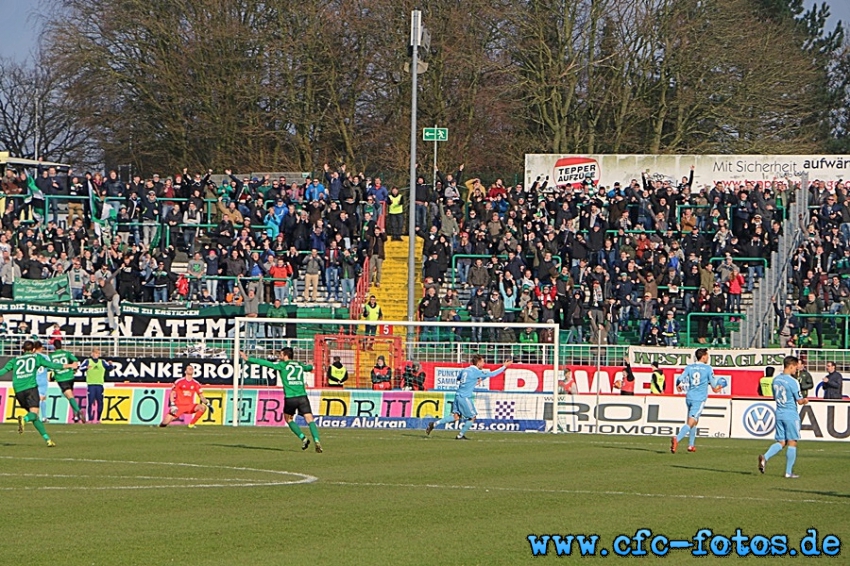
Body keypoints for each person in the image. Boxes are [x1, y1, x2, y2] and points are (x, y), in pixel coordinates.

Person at [240, 348, 322, 452]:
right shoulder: (299, 365)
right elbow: (309, 368)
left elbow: (266, 363)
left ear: (285, 355)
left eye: (281, 354)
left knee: (288, 419)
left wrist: (248, 359)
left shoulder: (282, 365)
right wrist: (310, 365)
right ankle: (317, 440)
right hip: (303, 397)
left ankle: (303, 438)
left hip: (290, 398)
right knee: (310, 420)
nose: (279, 356)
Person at [0, 340, 76, 447]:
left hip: (18, 391)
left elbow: (3, 371)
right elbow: (52, 365)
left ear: (23, 350)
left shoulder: (14, 360)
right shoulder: (37, 357)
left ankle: (47, 439)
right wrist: (69, 365)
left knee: (35, 416)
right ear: (33, 350)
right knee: (33, 414)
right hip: (31, 388)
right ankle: (24, 419)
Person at [425, 356, 513, 440]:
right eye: (483, 362)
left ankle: (434, 423)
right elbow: (493, 374)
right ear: (478, 363)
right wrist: (504, 366)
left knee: (456, 417)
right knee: (472, 417)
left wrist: (477, 379)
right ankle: (460, 436)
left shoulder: (465, 370)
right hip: (464, 397)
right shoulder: (476, 371)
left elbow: (458, 378)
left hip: (457, 395)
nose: (484, 363)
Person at [758, 355, 808, 478]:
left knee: (781, 441)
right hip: (790, 414)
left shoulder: (776, 380)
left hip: (779, 412)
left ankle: (765, 457)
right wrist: (805, 400)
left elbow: (775, 396)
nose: (796, 370)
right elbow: (799, 401)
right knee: (792, 442)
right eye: (795, 367)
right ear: (791, 366)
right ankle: (788, 472)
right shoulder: (793, 382)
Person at [671, 348, 723, 453]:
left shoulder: (690, 367)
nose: (708, 357)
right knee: (691, 422)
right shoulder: (708, 368)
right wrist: (717, 387)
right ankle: (677, 438)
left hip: (689, 397)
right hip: (699, 399)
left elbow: (680, 378)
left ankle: (691, 445)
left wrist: (678, 385)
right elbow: (713, 384)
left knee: (694, 421)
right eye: (707, 355)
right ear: (703, 356)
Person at [47, 339, 86, 423]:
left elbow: (49, 367)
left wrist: (51, 377)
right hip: (70, 376)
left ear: (54, 347)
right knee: (71, 396)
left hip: (61, 378)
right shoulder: (67, 353)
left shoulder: (51, 356)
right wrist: (74, 368)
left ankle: (78, 411)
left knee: (70, 397)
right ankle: (75, 416)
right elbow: (75, 360)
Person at [78, 348, 115, 423]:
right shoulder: (88, 361)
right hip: (91, 384)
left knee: (100, 402)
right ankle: (90, 419)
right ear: (92, 354)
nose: (96, 355)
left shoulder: (102, 362)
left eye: (97, 353)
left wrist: (111, 364)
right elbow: (80, 368)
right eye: (95, 353)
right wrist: (86, 368)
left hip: (99, 384)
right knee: (90, 402)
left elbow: (109, 368)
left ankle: (98, 419)